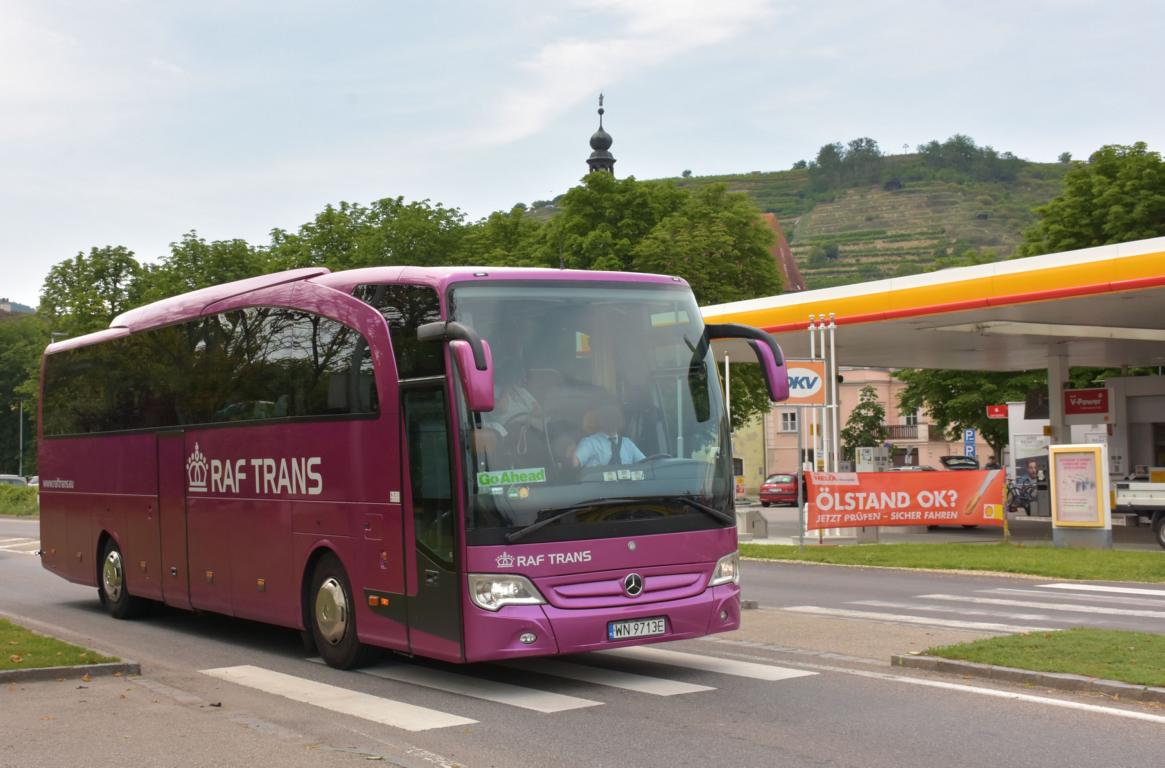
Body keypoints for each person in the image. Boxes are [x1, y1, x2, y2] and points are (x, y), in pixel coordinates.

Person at [575, 404, 646, 467]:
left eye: (614, 417)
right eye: (607, 417)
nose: (611, 420)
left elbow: (646, 464)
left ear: (620, 421)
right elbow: (575, 462)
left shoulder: (627, 444)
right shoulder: (590, 443)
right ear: (600, 421)